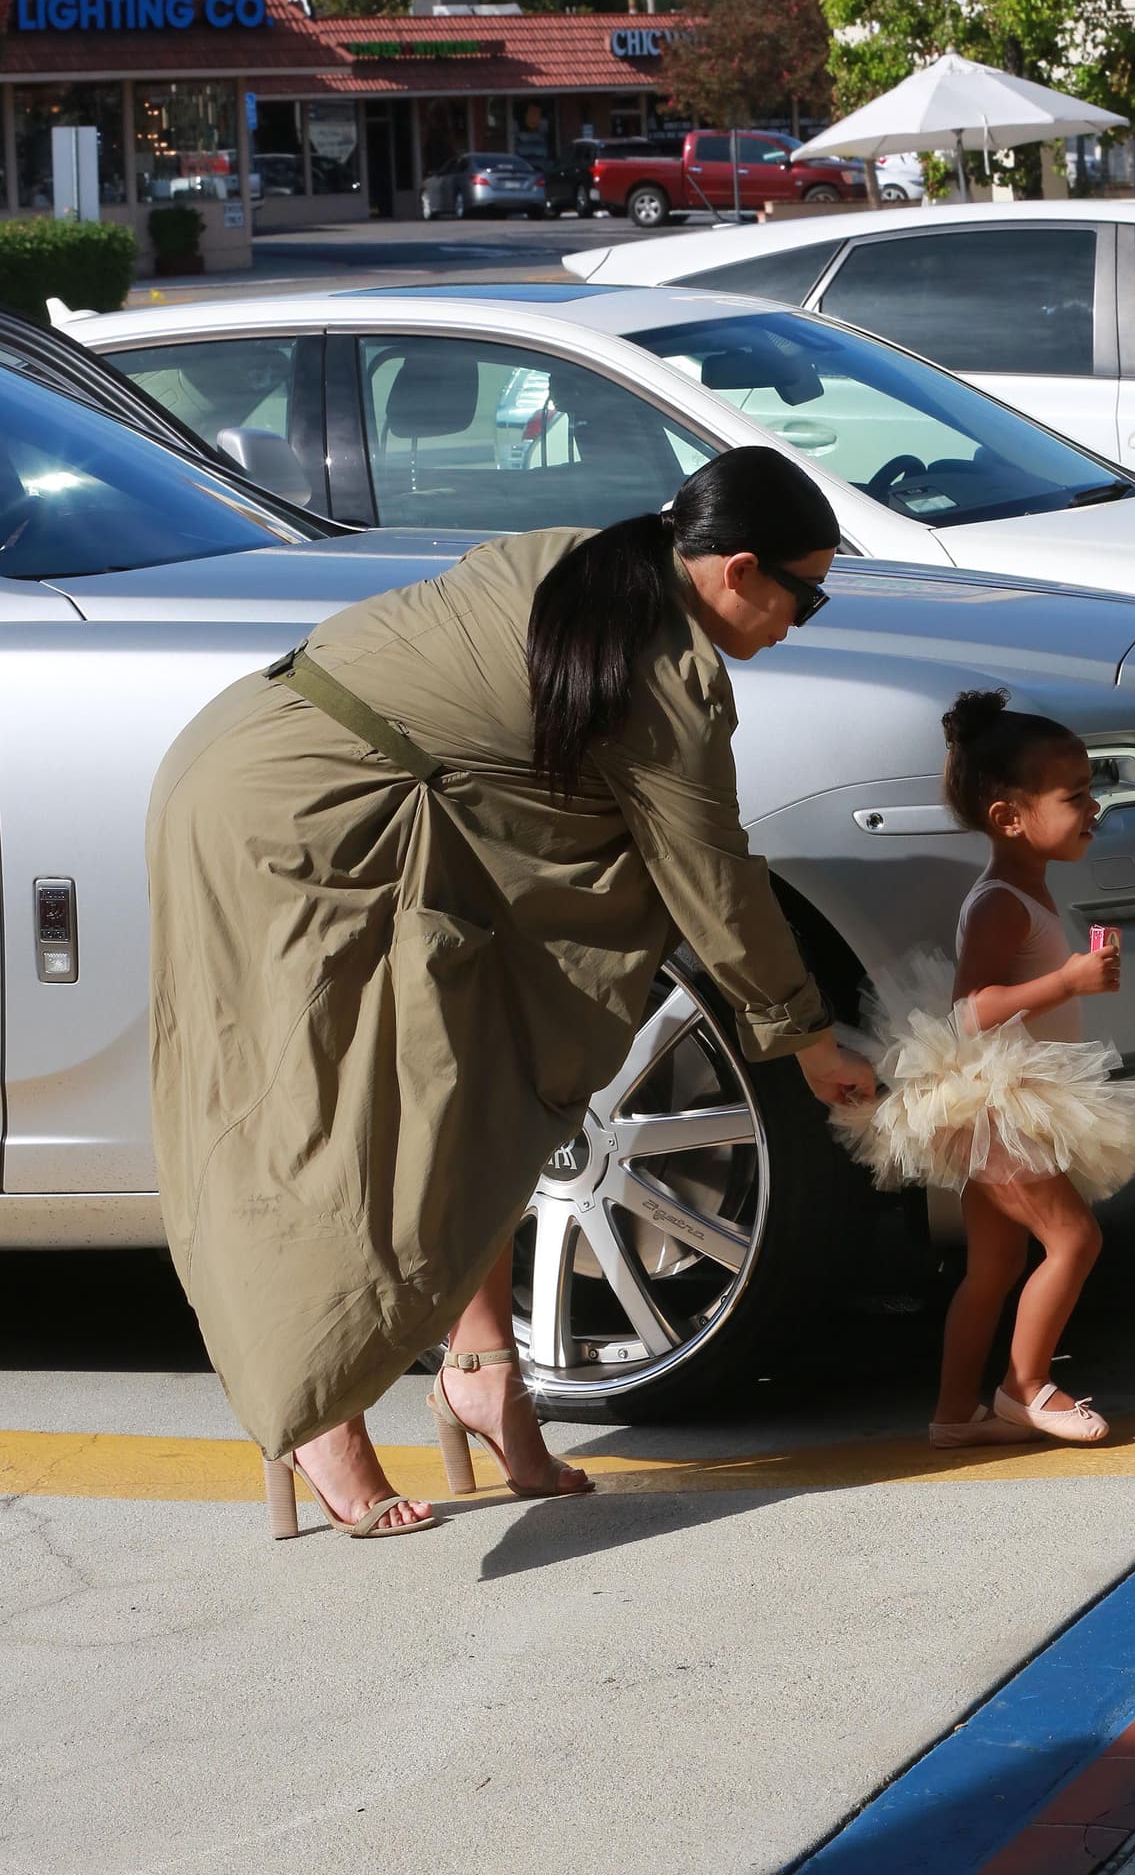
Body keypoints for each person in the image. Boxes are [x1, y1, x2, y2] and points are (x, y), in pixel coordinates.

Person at [146, 447, 877, 1542]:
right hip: (290, 821)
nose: (799, 621)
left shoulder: (596, 568)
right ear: (734, 571)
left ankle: (481, 1370)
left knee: (484, 1082)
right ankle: (317, 1415)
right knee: (328, 1124)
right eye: (803, 597)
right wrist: (806, 1040)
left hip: (380, 801)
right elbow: (712, 878)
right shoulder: (661, 668)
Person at [832, 690, 1135, 1450]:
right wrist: (1066, 983)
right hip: (995, 1104)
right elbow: (970, 1009)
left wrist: (1072, 980)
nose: (1094, 808)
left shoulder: (1026, 889)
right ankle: (1025, 1387)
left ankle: (954, 1415)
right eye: (1074, 795)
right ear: (1011, 816)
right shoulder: (999, 904)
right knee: (1073, 1241)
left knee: (995, 1265)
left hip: (1007, 1099)